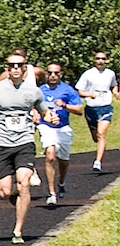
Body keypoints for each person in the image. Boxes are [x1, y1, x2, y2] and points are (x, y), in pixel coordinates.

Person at [0, 54, 44, 244]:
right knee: (5, 192)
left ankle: (18, 230)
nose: (15, 68)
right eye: (11, 65)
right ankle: (16, 199)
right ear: (7, 68)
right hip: (2, 144)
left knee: (24, 183)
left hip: (25, 142)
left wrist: (50, 117)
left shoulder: (33, 91)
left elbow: (44, 111)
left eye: (19, 65)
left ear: (25, 68)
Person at [37, 59, 81, 205]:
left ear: (61, 74)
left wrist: (65, 105)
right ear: (46, 74)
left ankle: (61, 183)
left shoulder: (68, 90)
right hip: (46, 126)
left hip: (63, 128)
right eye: (50, 73)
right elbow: (31, 105)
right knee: (50, 155)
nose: (53, 75)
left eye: (56, 73)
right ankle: (51, 193)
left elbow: (79, 110)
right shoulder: (40, 91)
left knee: (63, 160)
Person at [77, 48, 116, 172]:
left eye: (103, 59)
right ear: (94, 60)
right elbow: (79, 90)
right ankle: (99, 144)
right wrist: (90, 95)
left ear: (106, 60)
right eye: (98, 58)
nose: (100, 61)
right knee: (96, 136)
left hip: (105, 106)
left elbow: (114, 85)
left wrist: (116, 92)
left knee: (101, 133)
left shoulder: (110, 73)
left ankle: (98, 161)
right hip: (91, 108)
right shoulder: (88, 74)